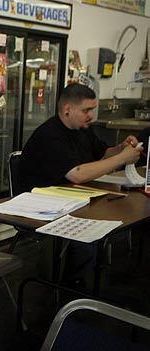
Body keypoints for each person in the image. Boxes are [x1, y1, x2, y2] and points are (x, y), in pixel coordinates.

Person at [18, 83, 142, 286]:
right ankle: (69, 290)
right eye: (86, 110)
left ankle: (83, 286)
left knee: (112, 222)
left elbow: (103, 153)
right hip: (42, 206)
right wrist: (121, 159)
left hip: (73, 200)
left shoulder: (82, 130)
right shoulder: (50, 135)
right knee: (87, 240)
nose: (91, 116)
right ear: (67, 110)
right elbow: (77, 174)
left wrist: (121, 148)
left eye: (92, 110)